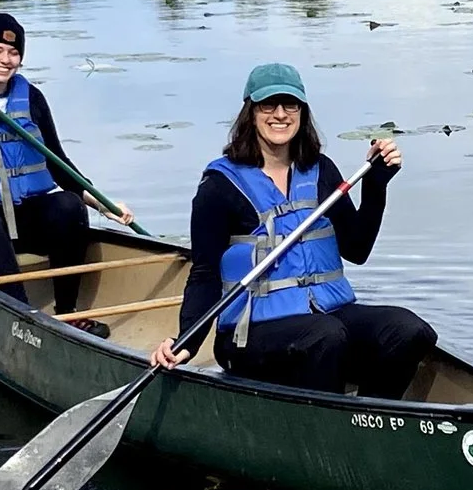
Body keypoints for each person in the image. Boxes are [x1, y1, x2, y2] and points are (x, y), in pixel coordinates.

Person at [150, 62, 435, 398]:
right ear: (251, 113)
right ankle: (324, 429)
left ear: (302, 111)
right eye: (268, 105)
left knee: (409, 331)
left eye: (291, 105)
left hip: (326, 318)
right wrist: (188, 341)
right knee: (326, 336)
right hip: (251, 334)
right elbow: (205, 272)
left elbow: (357, 249)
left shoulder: (320, 170)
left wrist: (375, 187)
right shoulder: (219, 187)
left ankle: (371, 417)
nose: (280, 114)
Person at [0, 11, 128, 330]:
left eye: (14, 53)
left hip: (22, 219)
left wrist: (104, 206)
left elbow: (58, 162)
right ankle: (24, 319)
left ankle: (68, 314)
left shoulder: (30, 97)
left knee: (67, 206)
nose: (5, 60)